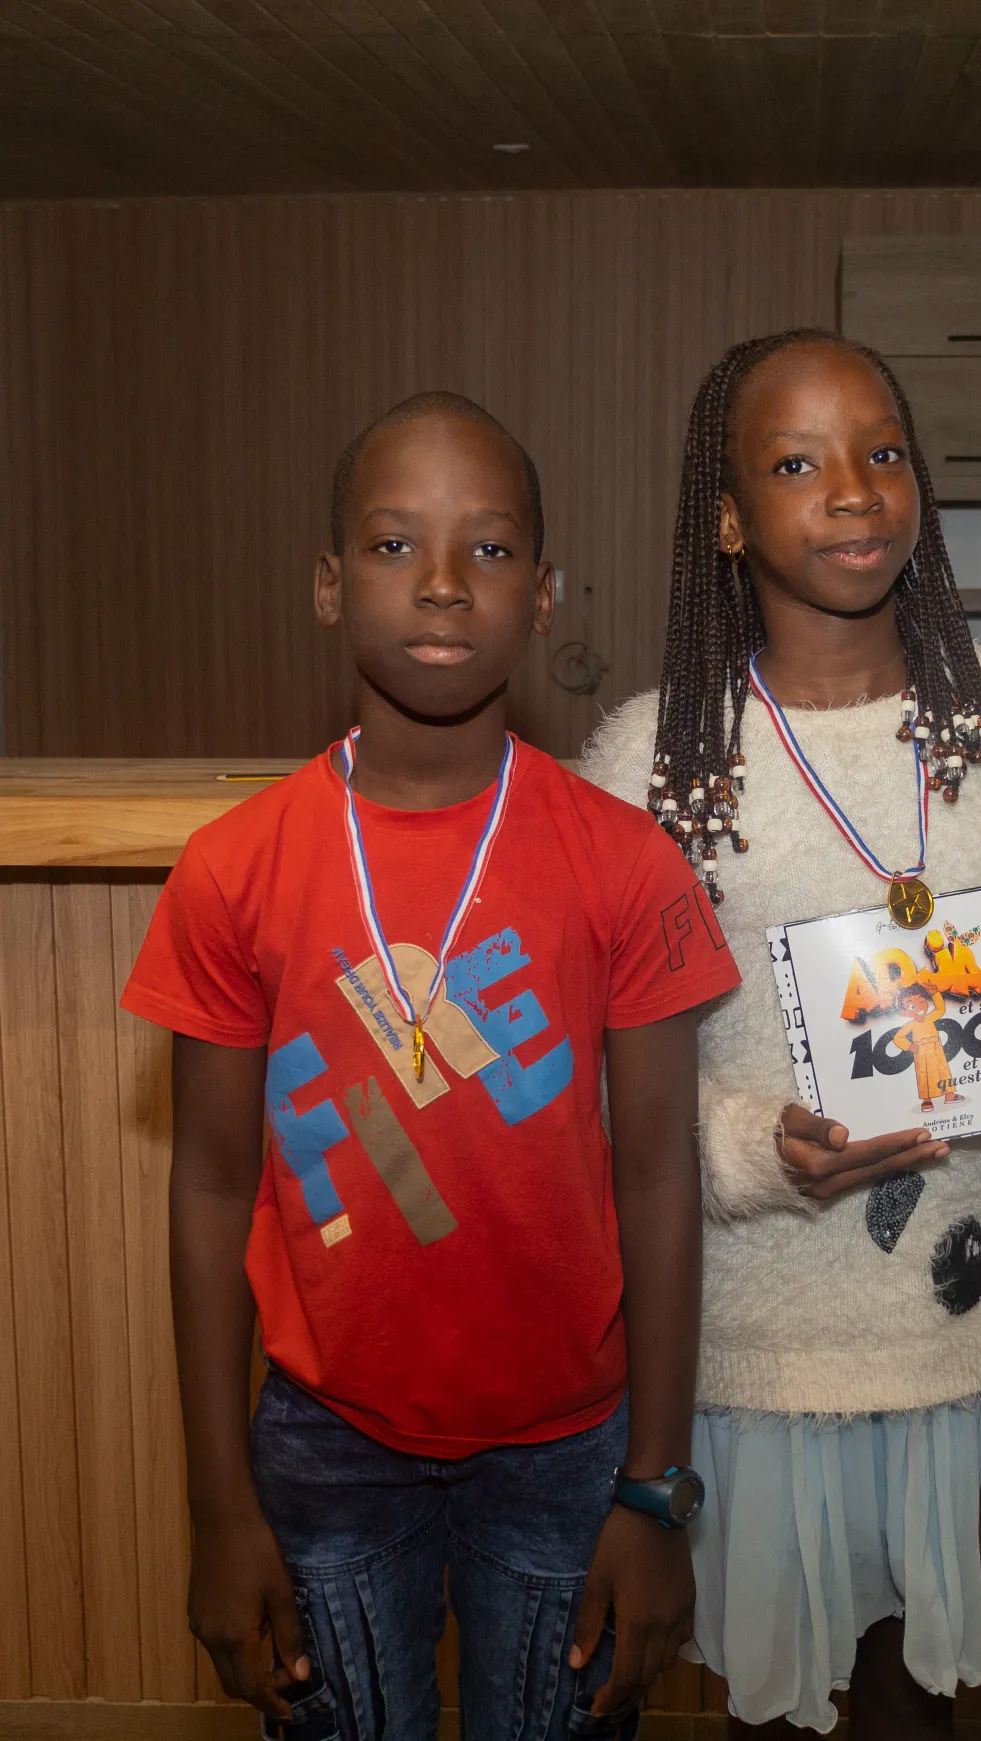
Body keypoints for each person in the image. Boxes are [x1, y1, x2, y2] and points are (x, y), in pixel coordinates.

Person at [121, 392, 740, 1741]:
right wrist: (219, 1509)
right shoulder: (234, 871)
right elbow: (211, 1190)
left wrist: (655, 1491)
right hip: (325, 1442)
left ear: (545, 592)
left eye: (491, 549)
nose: (446, 582)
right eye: (396, 545)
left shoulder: (625, 864)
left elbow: (658, 1178)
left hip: (571, 1446)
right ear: (329, 585)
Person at [580, 328, 981, 1738]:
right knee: (783, 1714)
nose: (852, 490)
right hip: (767, 1346)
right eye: (796, 465)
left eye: (882, 452)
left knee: (949, 1706)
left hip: (977, 1339)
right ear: (729, 519)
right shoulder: (650, 763)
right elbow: (601, 1085)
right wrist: (753, 1149)